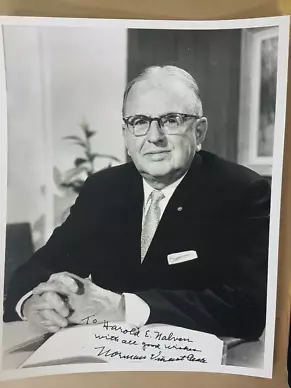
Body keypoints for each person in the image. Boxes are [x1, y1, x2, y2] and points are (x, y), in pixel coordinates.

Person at [4, 65, 270, 340]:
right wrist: (33, 302)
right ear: (126, 135)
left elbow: (250, 308)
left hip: (197, 364)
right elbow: (40, 267)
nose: (154, 137)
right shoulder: (102, 189)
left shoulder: (244, 192)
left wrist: (122, 308)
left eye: (171, 120)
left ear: (199, 132)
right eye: (140, 122)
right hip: (107, 355)